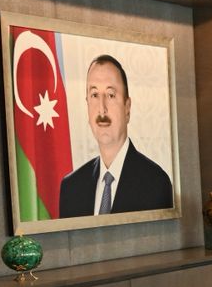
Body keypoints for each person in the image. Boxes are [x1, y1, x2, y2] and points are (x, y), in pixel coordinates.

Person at [57, 53, 174, 217]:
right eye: (94, 95)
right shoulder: (71, 187)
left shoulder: (156, 183)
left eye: (111, 95)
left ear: (127, 108)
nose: (102, 109)